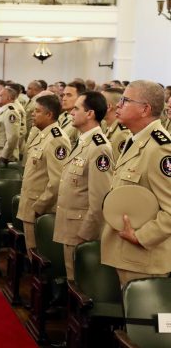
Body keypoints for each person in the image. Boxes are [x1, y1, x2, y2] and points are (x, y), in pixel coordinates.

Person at [101, 80, 171, 287]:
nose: (118, 105)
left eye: (125, 100)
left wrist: (141, 237)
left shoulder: (160, 149)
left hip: (143, 258)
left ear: (145, 109)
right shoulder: (137, 140)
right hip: (128, 254)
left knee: (136, 319)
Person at [53, 91, 113, 280]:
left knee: (77, 283)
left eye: (76, 108)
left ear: (90, 114)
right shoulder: (83, 141)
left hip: (81, 231)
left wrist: (85, 235)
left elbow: (100, 199)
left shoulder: (99, 147)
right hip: (70, 225)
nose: (71, 112)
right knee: (71, 280)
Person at [17, 95, 70, 259]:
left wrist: (39, 207)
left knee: (37, 256)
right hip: (31, 204)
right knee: (31, 252)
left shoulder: (57, 139)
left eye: (37, 111)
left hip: (40, 209)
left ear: (49, 114)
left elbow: (57, 181)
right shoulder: (43, 135)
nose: (33, 114)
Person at [102, 88, 130, 161]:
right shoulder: (106, 126)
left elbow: (115, 166)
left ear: (108, 107)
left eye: (99, 102)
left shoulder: (121, 133)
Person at [0, 87, 21, 166]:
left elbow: (13, 136)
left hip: (3, 157)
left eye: (0, 95)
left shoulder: (11, 112)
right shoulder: (2, 110)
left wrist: (4, 157)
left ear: (9, 98)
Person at [58, 81, 86, 148]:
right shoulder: (62, 116)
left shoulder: (81, 120)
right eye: (63, 95)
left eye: (69, 95)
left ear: (80, 98)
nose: (64, 99)